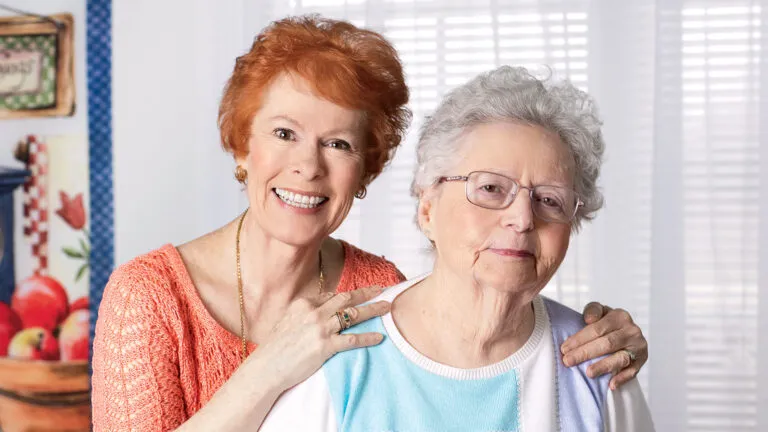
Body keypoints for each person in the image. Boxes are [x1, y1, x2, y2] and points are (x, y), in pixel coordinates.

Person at [91, 16, 649, 431]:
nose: (308, 166)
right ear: (242, 145)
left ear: (364, 171)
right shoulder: (149, 296)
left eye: (338, 143)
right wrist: (269, 370)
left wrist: (605, 343)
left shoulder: (376, 287)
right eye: (284, 134)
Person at [259, 65, 655, 431]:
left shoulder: (598, 363)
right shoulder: (339, 358)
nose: (522, 218)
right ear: (427, 209)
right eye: (490, 188)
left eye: (550, 200)